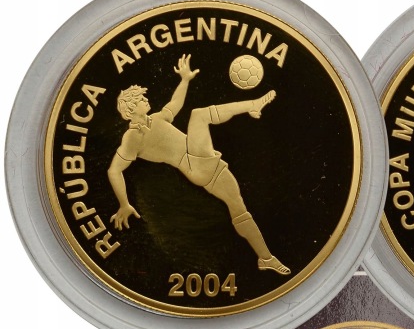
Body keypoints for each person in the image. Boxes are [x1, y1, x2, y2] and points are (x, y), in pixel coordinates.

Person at [107, 53, 289, 275]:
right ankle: (253, 105)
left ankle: (265, 258)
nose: (145, 100)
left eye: (143, 97)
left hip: (208, 166)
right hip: (193, 165)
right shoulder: (132, 138)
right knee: (199, 115)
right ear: (130, 109)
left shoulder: (156, 118)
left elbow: (174, 104)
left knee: (239, 209)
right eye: (139, 100)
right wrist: (124, 204)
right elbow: (114, 170)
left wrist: (185, 80)